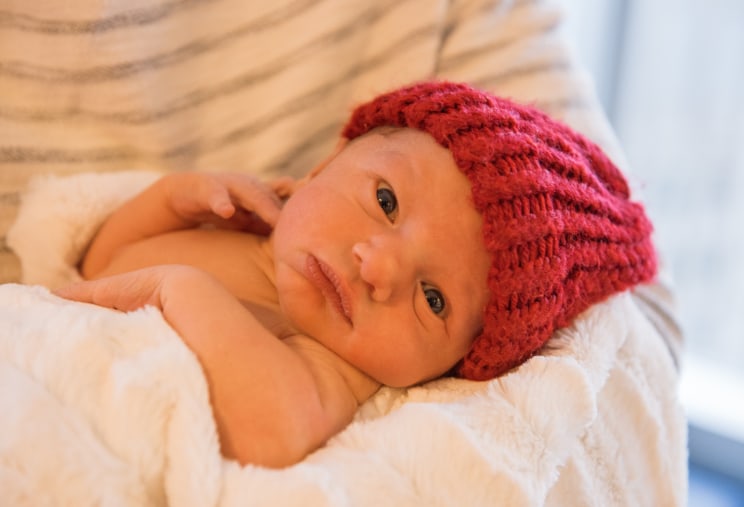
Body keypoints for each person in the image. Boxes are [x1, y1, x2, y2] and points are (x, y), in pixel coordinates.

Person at [55, 81, 657, 468]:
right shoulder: (233, 226)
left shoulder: (328, 364)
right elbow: (96, 269)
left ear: (450, 367)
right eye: (387, 202)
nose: (380, 267)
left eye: (434, 299)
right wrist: (163, 202)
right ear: (322, 168)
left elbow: (271, 434)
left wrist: (178, 289)